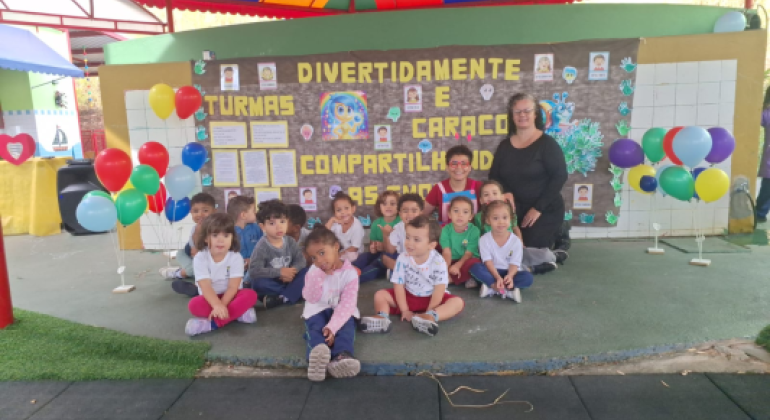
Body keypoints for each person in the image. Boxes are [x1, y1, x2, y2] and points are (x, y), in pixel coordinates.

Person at [490, 93, 568, 264]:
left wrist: (538, 208)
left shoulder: (547, 144)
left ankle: (560, 235)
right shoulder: (504, 145)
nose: (522, 115)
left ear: (535, 114)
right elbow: (494, 176)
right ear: (511, 116)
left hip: (543, 209)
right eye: (517, 111)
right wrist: (506, 192)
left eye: (527, 110)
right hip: (514, 211)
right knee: (509, 246)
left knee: (530, 249)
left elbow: (560, 176)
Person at [358, 216, 464, 337]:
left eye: (416, 239)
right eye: (408, 237)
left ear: (431, 245)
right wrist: (405, 310)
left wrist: (429, 311)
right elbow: (398, 285)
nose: (409, 243)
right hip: (408, 297)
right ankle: (382, 317)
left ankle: (430, 316)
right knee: (380, 295)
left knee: (457, 302)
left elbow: (439, 290)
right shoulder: (403, 258)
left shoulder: (439, 262)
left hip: (433, 298)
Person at [184, 213, 258, 336]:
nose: (220, 240)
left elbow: (233, 287)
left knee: (251, 295)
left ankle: (211, 324)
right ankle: (238, 314)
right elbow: (206, 286)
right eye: (215, 235)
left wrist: (221, 306)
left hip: (231, 295)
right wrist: (216, 305)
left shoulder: (236, 257)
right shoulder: (200, 258)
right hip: (210, 298)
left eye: (226, 235)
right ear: (206, 238)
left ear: (232, 238)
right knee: (194, 305)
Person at [302, 226, 361, 382]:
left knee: (346, 328)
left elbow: (347, 305)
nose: (319, 260)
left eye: (322, 253)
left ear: (335, 247)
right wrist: (318, 276)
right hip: (317, 310)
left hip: (342, 312)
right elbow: (310, 297)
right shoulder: (314, 271)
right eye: (313, 257)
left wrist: (332, 328)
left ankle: (342, 357)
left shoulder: (350, 273)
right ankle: (317, 355)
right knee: (315, 329)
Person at [476, 181, 557, 274]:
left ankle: (555, 255)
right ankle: (534, 269)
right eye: (486, 195)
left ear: (502, 197)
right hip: (493, 255)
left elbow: (515, 228)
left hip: (513, 250)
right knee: (502, 268)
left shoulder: (509, 213)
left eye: (495, 193)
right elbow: (478, 235)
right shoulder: (479, 217)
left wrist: (520, 242)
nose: (491, 197)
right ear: (481, 200)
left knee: (544, 255)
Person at [469, 200, 535, 302]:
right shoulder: (484, 239)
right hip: (492, 271)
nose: (501, 222)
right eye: (495, 218)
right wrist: (497, 277)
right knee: (475, 268)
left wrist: (510, 276)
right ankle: (498, 287)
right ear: (488, 220)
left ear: (511, 219)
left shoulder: (516, 241)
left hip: (509, 272)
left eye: (505, 217)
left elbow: (515, 263)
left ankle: (493, 289)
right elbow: (488, 262)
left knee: (528, 277)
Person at [248, 200, 308, 310]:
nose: (279, 227)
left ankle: (281, 298)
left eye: (282, 221)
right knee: (258, 283)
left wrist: (292, 271)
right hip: (273, 281)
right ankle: (292, 294)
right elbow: (254, 270)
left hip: (290, 278)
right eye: (272, 223)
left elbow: (301, 261)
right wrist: (280, 272)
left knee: (307, 272)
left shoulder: (290, 241)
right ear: (263, 227)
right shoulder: (262, 246)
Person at [160, 193, 216, 297]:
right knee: (187, 261)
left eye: (205, 210)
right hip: (190, 255)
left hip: (206, 259)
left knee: (199, 270)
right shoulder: (195, 228)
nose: (200, 214)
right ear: (191, 212)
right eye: (195, 211)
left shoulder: (217, 228)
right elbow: (193, 246)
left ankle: (181, 275)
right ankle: (178, 273)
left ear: (214, 211)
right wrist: (196, 239)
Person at [424, 145, 482, 226]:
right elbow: (422, 214)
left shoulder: (479, 187)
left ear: (469, 168)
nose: (459, 167)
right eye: (454, 164)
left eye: (464, 163)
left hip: (473, 237)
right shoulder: (439, 189)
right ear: (447, 167)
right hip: (446, 237)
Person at [353, 190, 400, 282]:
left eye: (392, 203)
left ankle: (355, 279)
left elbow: (399, 248)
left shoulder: (400, 222)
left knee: (375, 266)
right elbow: (372, 245)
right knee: (365, 256)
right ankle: (348, 270)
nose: (388, 206)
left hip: (390, 256)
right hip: (378, 254)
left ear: (399, 207)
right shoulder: (376, 223)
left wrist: (383, 246)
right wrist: (373, 248)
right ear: (379, 207)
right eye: (384, 204)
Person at [439, 197, 481, 287]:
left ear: (471, 216)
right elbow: (446, 252)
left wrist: (458, 265)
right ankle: (457, 278)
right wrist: (445, 270)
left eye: (465, 212)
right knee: (436, 260)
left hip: (466, 260)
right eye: (456, 211)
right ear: (449, 214)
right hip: (451, 260)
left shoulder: (474, 231)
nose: (460, 215)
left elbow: (468, 254)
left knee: (474, 264)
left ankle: (452, 279)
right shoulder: (445, 230)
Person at [382, 193, 424, 271]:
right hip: (403, 258)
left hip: (420, 258)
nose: (410, 214)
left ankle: (400, 272)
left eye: (414, 210)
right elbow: (391, 251)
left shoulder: (425, 227)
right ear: (400, 214)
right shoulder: (397, 228)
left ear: (421, 213)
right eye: (405, 211)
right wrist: (386, 235)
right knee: (385, 257)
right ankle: (405, 271)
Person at [326, 191, 365, 262]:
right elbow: (324, 234)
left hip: (355, 254)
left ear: (353, 209)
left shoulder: (357, 226)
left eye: (346, 208)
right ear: (334, 213)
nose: (343, 212)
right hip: (340, 252)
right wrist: (331, 220)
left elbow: (354, 248)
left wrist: (338, 255)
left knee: (349, 257)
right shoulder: (336, 223)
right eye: (339, 210)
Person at [228, 196, 262, 272]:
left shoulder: (257, 228)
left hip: (256, 268)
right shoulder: (228, 232)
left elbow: (264, 247)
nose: (256, 213)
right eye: (253, 211)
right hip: (236, 270)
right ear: (243, 215)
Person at [756, 86, 770, 222]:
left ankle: (760, 212)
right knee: (768, 186)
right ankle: (760, 213)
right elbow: (754, 121)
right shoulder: (766, 113)